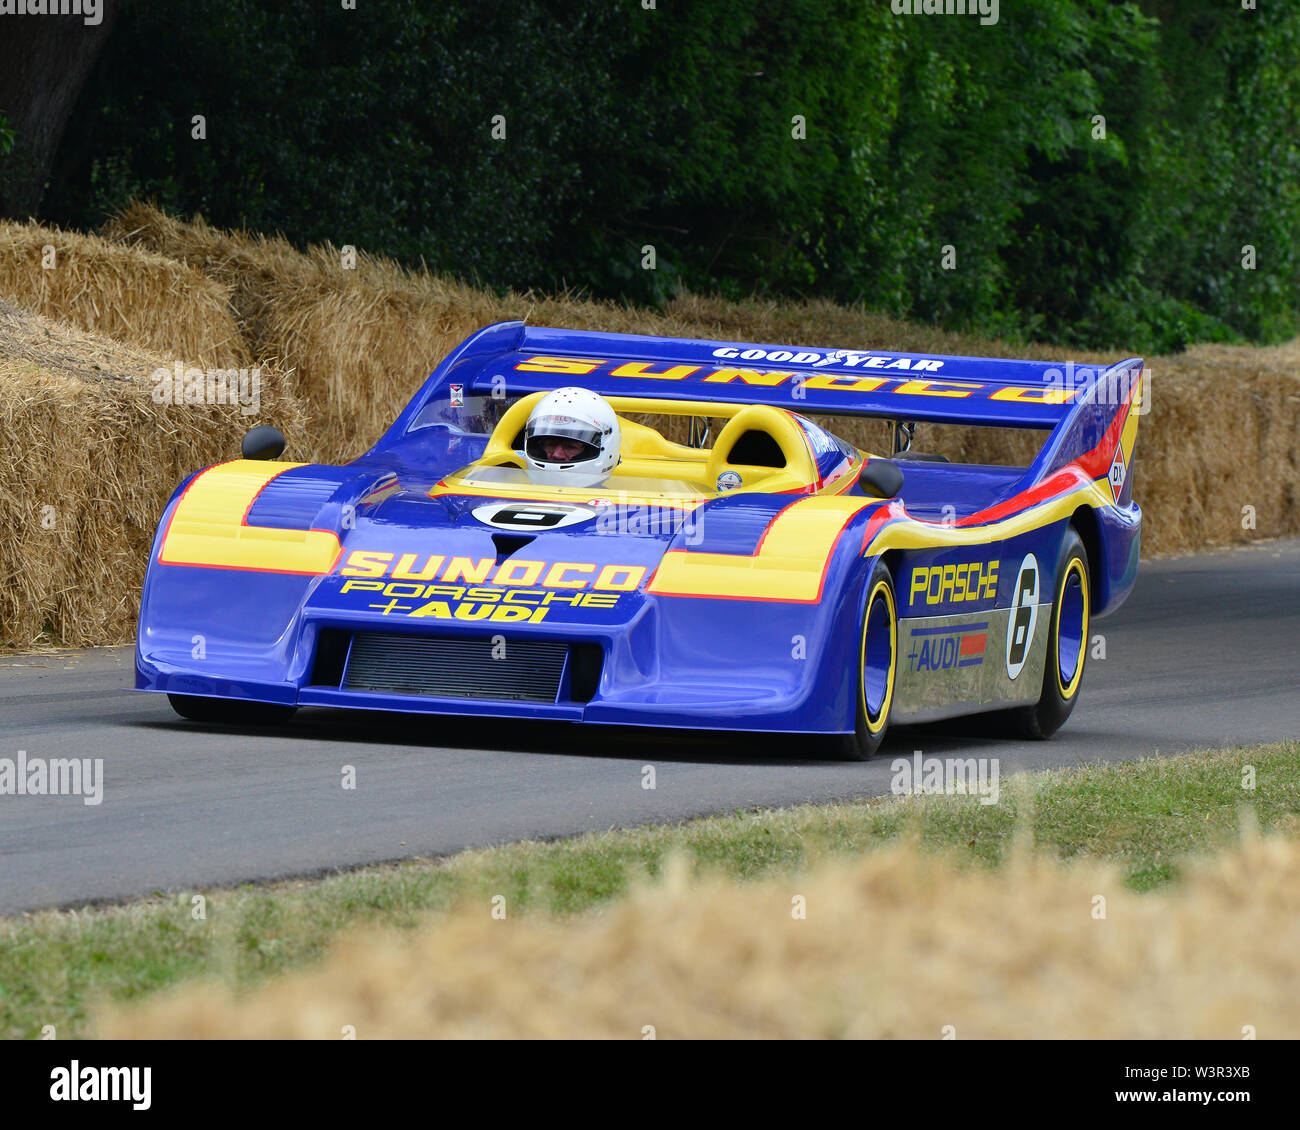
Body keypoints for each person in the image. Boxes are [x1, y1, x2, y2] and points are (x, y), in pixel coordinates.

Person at [522, 387, 621, 486]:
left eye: (571, 446)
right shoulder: (511, 489)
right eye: (551, 444)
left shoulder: (623, 500)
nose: (557, 455)